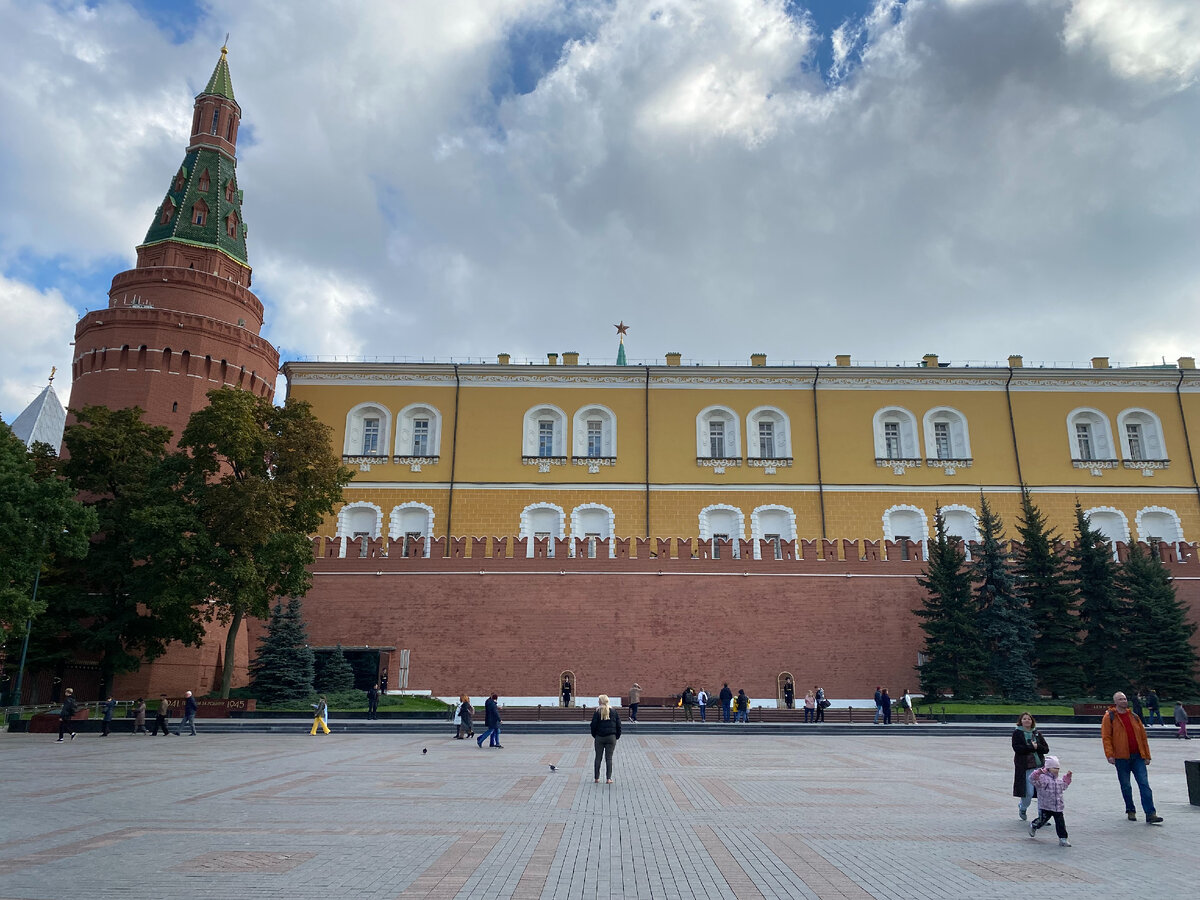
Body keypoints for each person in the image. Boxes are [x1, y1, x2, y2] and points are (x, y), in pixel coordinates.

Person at [1101, 691, 1162, 824]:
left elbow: (1143, 737)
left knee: (1144, 784)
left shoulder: (1134, 716)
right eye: (1120, 699)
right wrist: (1110, 755)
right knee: (1126, 786)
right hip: (1121, 757)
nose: (1124, 701)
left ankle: (1151, 813)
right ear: (1115, 702)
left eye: (1124, 699)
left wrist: (1147, 755)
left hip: (1138, 757)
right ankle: (1130, 810)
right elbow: (1106, 737)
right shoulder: (1109, 717)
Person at [1028, 755, 1073, 847]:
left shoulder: (1058, 780)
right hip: (1045, 806)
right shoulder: (1042, 778)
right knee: (1042, 821)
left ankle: (1063, 838)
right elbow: (1032, 779)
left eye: (1057, 768)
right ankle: (1034, 825)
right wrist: (1038, 772)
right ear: (1048, 768)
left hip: (1058, 807)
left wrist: (1067, 778)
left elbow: (1064, 786)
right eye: (1054, 768)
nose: (1056, 770)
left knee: (1060, 823)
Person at [1012, 712, 1050, 820]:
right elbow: (1017, 749)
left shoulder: (1037, 733)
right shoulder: (1017, 733)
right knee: (1028, 792)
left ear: (1032, 721)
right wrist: (1030, 747)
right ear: (1021, 721)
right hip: (1026, 767)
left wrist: (1037, 747)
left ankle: (1041, 817)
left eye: (1029, 719)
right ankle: (1023, 807)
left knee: (1041, 793)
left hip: (1039, 767)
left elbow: (1046, 749)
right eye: (1024, 719)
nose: (1027, 721)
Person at [590, 693, 622, 784]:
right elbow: (618, 725)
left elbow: (593, 725)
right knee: (609, 758)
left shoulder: (597, 712)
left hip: (599, 737)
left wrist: (595, 735)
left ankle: (596, 778)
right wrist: (616, 736)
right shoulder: (614, 711)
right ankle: (608, 778)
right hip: (611, 737)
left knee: (598, 758)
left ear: (600, 701)